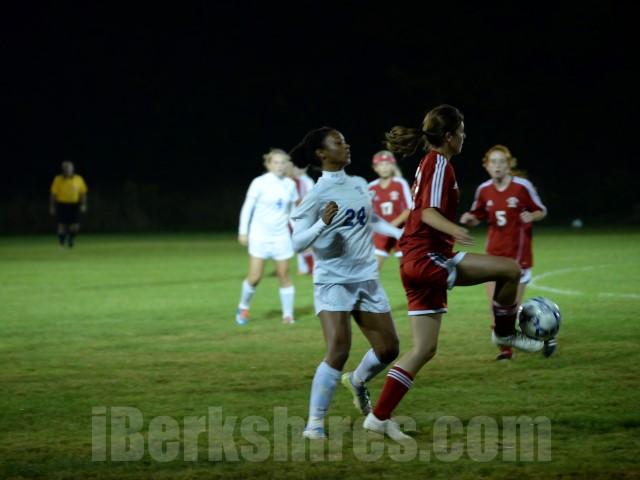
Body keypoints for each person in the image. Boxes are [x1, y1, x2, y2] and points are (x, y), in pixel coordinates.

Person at [363, 105, 544, 441]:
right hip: (427, 257)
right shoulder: (438, 163)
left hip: (414, 261)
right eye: (461, 131)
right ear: (448, 136)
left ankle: (379, 417)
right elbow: (427, 213)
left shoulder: (429, 162)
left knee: (424, 348)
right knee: (510, 269)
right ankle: (504, 333)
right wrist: (454, 229)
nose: (464, 136)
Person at [289, 127, 403, 440]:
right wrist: (321, 224)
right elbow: (297, 243)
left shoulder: (359, 184)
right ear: (322, 154)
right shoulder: (316, 194)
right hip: (333, 282)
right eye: (338, 142)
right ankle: (314, 424)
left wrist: (400, 233)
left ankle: (356, 380)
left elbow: (371, 219)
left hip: (366, 278)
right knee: (339, 348)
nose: (346, 145)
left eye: (344, 140)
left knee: (389, 349)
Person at [460, 144, 554, 360]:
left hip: (518, 258)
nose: (497, 166)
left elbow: (541, 210)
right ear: (486, 166)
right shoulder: (483, 190)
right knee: (495, 307)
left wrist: (533, 216)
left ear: (509, 165)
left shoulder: (522, 187)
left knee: (511, 307)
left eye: (502, 162)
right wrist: (469, 219)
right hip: (493, 256)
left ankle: (547, 332)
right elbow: (477, 216)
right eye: (493, 162)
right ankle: (506, 351)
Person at [236, 148, 299, 325]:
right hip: (260, 236)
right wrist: (243, 231)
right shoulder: (259, 183)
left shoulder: (290, 185)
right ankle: (243, 307)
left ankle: (288, 315)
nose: (279, 166)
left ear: (287, 165)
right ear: (268, 164)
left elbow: (292, 214)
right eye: (276, 162)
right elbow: (247, 208)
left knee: (284, 275)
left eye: (283, 162)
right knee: (255, 277)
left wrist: (299, 234)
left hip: (281, 237)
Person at [368, 150, 412, 270]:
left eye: (387, 164)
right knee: (371, 271)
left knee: (408, 271)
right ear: (375, 168)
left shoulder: (400, 183)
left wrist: (390, 227)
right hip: (381, 234)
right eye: (381, 165)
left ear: (393, 166)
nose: (384, 167)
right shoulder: (371, 187)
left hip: (400, 230)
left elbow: (409, 209)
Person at [49, 160, 88, 249]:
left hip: (74, 205)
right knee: (61, 225)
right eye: (65, 168)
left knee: (75, 227)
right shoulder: (57, 179)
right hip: (62, 205)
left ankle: (71, 238)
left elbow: (83, 193)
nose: (67, 169)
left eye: (69, 167)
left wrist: (84, 204)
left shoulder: (78, 179)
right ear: (62, 169)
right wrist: (52, 206)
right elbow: (53, 194)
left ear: (72, 168)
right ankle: (62, 244)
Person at [288, 164, 316, 275]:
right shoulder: (294, 180)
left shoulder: (307, 181)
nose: (296, 169)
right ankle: (303, 268)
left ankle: (311, 267)